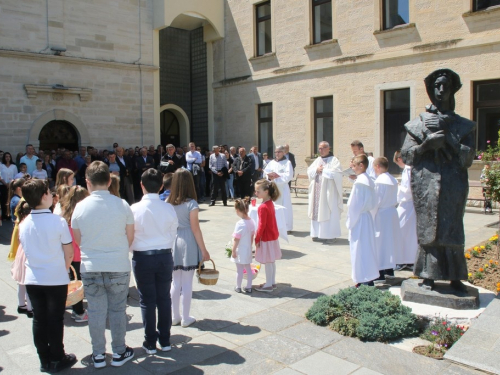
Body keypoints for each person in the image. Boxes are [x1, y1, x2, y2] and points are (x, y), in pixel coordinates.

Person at [401, 69, 475, 291]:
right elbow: (406, 155)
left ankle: (455, 277)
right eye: (437, 86)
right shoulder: (419, 123)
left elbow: (468, 158)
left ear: (452, 89)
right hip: (426, 183)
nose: (441, 90)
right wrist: (426, 145)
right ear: (431, 90)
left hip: (453, 183)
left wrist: (448, 139)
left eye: (445, 85)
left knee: (452, 226)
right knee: (428, 227)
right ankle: (427, 277)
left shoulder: (464, 125)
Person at [71, 161, 135, 368]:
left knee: (97, 312)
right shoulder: (122, 204)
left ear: (87, 182)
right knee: (117, 310)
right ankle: (119, 352)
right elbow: (130, 237)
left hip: (91, 265)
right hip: (117, 263)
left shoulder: (79, 207)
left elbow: (78, 240)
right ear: (109, 181)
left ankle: (98, 354)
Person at [19, 179, 76, 373]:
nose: (53, 196)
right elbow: (69, 252)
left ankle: (44, 358)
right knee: (55, 319)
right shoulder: (57, 221)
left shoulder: (24, 223)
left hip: (34, 277)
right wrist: (64, 268)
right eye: (50, 193)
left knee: (39, 319)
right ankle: (57, 356)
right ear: (44, 196)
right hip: (54, 277)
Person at [131, 169, 178, 354]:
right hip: (164, 255)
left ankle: (150, 342)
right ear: (160, 186)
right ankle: (165, 340)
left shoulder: (134, 208)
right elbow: (173, 232)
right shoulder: (168, 207)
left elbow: (129, 235)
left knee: (147, 300)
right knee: (164, 298)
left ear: (141, 185)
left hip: (143, 256)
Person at [167, 169, 210, 327]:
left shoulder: (168, 203)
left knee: (175, 281)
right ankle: (185, 317)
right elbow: (195, 228)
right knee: (187, 282)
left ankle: (175, 316)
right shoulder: (192, 203)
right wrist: (204, 250)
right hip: (188, 242)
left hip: (172, 241)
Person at [346, 155, 379, 287]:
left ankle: (364, 279)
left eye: (354, 166)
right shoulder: (369, 180)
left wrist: (350, 223)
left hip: (359, 219)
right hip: (367, 218)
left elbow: (354, 205)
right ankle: (366, 277)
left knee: (359, 249)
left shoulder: (360, 183)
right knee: (367, 248)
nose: (352, 168)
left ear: (361, 165)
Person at [60, 186, 90, 323]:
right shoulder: (83, 214)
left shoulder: (64, 215)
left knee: (75, 283)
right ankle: (78, 312)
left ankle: (77, 309)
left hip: (70, 254)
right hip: (81, 253)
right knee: (80, 284)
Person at [371, 157, 401, 282]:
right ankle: (390, 269)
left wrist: (371, 215)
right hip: (392, 213)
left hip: (382, 215)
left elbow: (376, 202)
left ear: (377, 166)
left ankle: (380, 272)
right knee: (390, 242)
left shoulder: (380, 182)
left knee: (381, 243)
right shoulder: (392, 179)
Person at [307, 141, 343, 243]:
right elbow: (309, 171)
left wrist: (324, 170)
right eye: (319, 148)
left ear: (328, 148)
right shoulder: (317, 160)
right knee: (316, 211)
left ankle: (330, 235)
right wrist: (316, 169)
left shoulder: (334, 160)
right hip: (316, 191)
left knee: (329, 211)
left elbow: (337, 174)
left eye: (323, 148)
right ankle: (316, 234)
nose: (320, 150)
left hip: (328, 192)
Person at [254, 179, 281, 292]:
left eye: (258, 191)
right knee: (271, 261)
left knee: (268, 261)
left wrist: (257, 238)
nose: (256, 193)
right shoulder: (269, 203)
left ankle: (269, 284)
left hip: (266, 237)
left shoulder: (263, 207)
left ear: (266, 191)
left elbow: (261, 225)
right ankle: (272, 282)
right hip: (272, 236)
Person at [393, 151, 418, 270]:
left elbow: (407, 189)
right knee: (409, 233)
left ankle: (403, 260)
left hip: (407, 204)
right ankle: (409, 259)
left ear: (400, 159)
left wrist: (397, 188)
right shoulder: (409, 169)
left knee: (402, 231)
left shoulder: (408, 169)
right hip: (409, 204)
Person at [9, 200, 33, 319]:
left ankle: (21, 305)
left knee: (21, 282)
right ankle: (30, 308)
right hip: (27, 253)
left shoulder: (19, 223)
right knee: (28, 282)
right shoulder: (27, 224)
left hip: (20, 252)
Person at [264, 145, 293, 232]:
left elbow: (289, 176)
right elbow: (265, 172)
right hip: (273, 188)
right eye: (276, 152)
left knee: (284, 207)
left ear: (283, 152)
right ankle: (274, 225)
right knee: (273, 207)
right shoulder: (272, 162)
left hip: (282, 188)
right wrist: (269, 177)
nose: (277, 154)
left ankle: (286, 227)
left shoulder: (287, 163)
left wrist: (277, 178)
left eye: (279, 152)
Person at [231, 198, 255, 293]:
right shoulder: (252, 221)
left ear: (237, 211)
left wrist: (233, 250)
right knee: (248, 268)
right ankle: (249, 286)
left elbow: (236, 239)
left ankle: (238, 286)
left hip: (240, 249)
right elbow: (252, 236)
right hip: (248, 248)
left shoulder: (240, 224)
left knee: (239, 269)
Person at [1, 152, 18, 220]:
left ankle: (11, 215)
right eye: (6, 157)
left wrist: (11, 183)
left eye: (9, 156)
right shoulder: (1, 166)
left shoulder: (14, 166)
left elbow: (15, 175)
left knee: (11, 200)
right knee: (4, 200)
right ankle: (4, 215)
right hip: (3, 185)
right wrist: (5, 183)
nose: (7, 158)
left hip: (12, 186)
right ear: (4, 158)